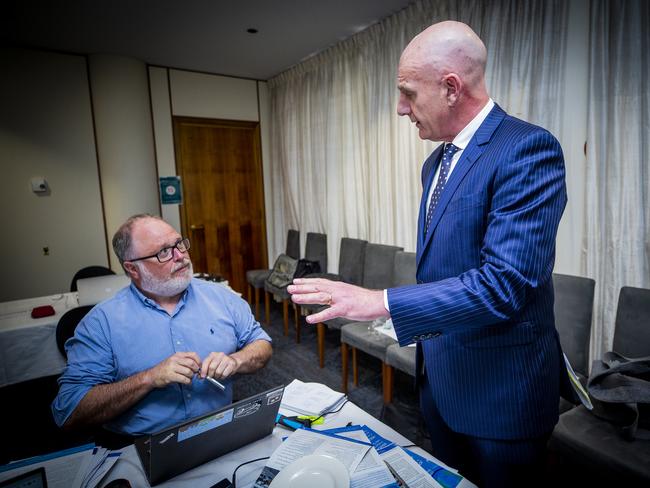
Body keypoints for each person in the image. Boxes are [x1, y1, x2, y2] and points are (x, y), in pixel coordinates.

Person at [289, 21, 571, 487]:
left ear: (451, 88)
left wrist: (380, 301)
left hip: (501, 393)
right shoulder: (435, 163)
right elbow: (443, 270)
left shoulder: (527, 150)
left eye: (407, 93)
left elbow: (505, 286)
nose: (401, 109)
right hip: (441, 379)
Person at [52, 214, 272, 436]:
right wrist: (148, 379)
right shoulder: (102, 323)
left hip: (220, 429)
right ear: (133, 269)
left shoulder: (221, 297)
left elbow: (262, 345)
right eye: (163, 252)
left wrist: (236, 361)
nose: (180, 256)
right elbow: (69, 410)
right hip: (143, 445)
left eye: (179, 244)